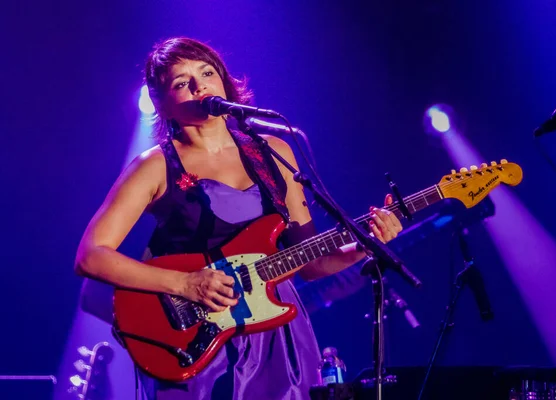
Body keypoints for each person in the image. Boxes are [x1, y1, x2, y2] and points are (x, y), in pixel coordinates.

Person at [74, 36, 403, 400]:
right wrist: (184, 285)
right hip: (197, 337)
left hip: (276, 334)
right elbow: (92, 255)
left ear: (224, 82)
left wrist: (362, 246)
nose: (200, 86)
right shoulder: (154, 166)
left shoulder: (273, 150)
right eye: (181, 83)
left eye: (207, 73)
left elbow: (310, 261)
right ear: (161, 104)